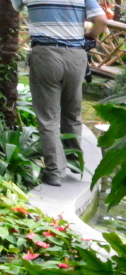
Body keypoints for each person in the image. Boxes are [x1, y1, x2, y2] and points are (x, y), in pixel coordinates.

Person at [10, 0, 107, 186]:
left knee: (48, 117)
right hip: (77, 56)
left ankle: (54, 172)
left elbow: (16, 7)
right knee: (72, 113)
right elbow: (101, 20)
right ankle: (74, 163)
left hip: (46, 54)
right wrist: (91, 35)